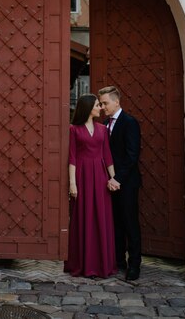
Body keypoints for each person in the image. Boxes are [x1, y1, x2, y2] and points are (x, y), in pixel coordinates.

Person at [64, 94, 118, 278]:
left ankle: (101, 264)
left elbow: (108, 156)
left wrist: (114, 179)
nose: (101, 108)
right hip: (82, 177)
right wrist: (72, 184)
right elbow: (72, 158)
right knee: (83, 218)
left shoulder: (103, 129)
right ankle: (82, 264)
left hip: (100, 178)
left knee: (101, 218)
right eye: (97, 105)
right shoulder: (74, 130)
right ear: (88, 108)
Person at [98, 86, 142, 281]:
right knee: (115, 224)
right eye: (100, 103)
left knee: (130, 224)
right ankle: (118, 261)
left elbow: (132, 156)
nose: (102, 106)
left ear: (117, 102)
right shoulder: (105, 124)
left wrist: (118, 179)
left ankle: (134, 265)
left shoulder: (129, 122)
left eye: (105, 103)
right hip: (110, 183)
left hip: (127, 183)